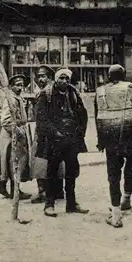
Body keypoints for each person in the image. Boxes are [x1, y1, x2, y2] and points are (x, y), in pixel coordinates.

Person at [94, 64, 132, 228]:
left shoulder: (100, 91)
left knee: (113, 176)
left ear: (109, 76)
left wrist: (100, 141)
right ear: (124, 75)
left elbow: (98, 118)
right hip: (131, 138)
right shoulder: (131, 88)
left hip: (110, 139)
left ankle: (116, 215)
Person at [36, 68, 89, 217]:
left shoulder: (73, 93)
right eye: (61, 79)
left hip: (71, 138)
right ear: (56, 79)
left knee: (72, 171)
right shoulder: (46, 94)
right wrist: (55, 133)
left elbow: (82, 113)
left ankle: (71, 204)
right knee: (52, 171)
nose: (64, 81)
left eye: (67, 79)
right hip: (54, 139)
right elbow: (42, 118)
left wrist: (80, 132)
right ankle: (49, 204)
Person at [30, 65, 64, 204]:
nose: (40, 79)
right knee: (55, 161)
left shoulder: (46, 92)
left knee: (41, 162)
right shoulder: (52, 91)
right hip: (53, 131)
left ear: (50, 77)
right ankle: (57, 191)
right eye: (39, 76)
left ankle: (43, 191)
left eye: (43, 76)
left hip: (45, 132)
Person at [0, 75, 32, 200]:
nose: (20, 87)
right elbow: (5, 120)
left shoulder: (18, 98)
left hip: (18, 132)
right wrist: (17, 131)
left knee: (16, 162)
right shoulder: (9, 99)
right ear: (11, 87)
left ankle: (5, 185)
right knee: (13, 162)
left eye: (22, 85)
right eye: (17, 85)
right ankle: (13, 190)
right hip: (11, 135)